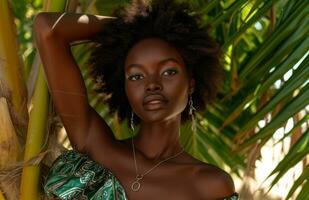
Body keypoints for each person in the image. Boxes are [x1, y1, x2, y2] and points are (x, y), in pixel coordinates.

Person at [34, 0, 239, 199]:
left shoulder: (210, 185)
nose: (152, 84)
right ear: (124, 88)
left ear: (191, 83)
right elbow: (48, 29)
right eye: (136, 76)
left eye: (168, 72)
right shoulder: (97, 147)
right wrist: (129, 30)